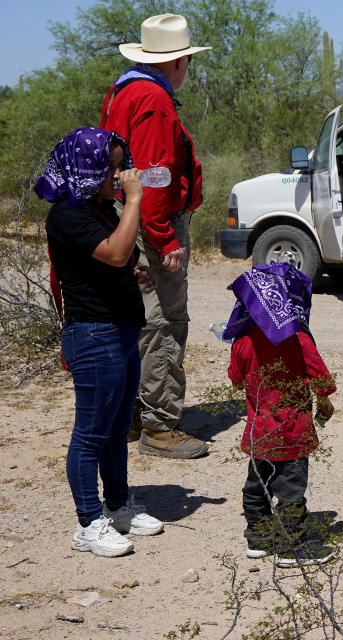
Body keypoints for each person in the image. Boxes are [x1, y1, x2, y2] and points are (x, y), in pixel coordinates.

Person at [37, 127, 164, 557]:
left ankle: (118, 505)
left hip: (120, 330)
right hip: (93, 334)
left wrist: (134, 272)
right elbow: (112, 252)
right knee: (91, 433)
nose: (120, 172)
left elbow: (114, 260)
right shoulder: (68, 214)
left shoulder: (101, 209)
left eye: (120, 163)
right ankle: (88, 522)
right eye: (109, 165)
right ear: (86, 167)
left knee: (115, 429)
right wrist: (134, 199)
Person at [100, 13, 210, 459]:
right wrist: (165, 240)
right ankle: (160, 427)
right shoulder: (154, 100)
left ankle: (129, 417)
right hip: (148, 222)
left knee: (133, 317)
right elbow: (155, 177)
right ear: (178, 60)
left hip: (125, 218)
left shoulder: (122, 91)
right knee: (164, 322)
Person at [224, 263, 338, 567]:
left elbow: (235, 378)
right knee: (290, 489)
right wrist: (324, 402)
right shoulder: (298, 338)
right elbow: (320, 378)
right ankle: (292, 547)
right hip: (293, 430)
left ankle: (258, 540)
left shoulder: (243, 339)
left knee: (256, 486)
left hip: (259, 428)